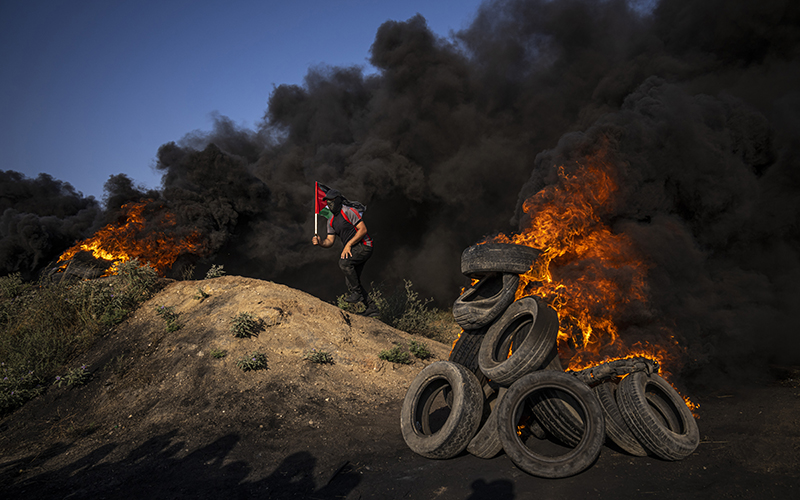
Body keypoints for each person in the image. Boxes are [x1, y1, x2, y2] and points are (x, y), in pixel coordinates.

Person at [312, 188, 379, 318]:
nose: (329, 204)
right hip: (354, 249)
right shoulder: (330, 220)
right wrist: (320, 242)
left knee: (344, 263)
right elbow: (329, 241)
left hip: (364, 246)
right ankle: (372, 307)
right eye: (328, 202)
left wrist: (348, 244)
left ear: (338, 201)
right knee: (351, 281)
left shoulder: (348, 211)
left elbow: (363, 230)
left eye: (332, 201)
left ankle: (357, 294)